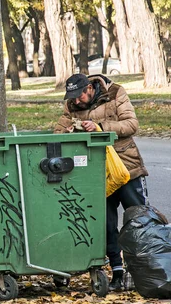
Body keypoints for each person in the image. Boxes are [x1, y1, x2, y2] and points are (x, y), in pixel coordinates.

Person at [54, 73, 149, 291]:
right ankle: (117, 270)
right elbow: (58, 132)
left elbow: (131, 124)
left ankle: (142, 268)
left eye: (80, 96)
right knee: (106, 224)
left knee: (137, 219)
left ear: (90, 88)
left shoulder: (115, 92)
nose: (76, 101)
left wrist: (99, 126)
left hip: (126, 167)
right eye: (73, 98)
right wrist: (71, 131)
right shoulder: (71, 105)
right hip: (96, 172)